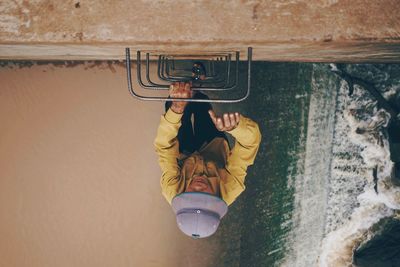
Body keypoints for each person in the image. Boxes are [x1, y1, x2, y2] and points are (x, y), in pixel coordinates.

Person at [154, 81, 261, 238]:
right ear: (217, 199)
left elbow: (164, 147)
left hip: (183, 152)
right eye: (205, 196)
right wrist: (236, 128)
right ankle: (198, 82)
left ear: (181, 198)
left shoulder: (171, 189)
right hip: (212, 146)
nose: (198, 187)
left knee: (174, 107)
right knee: (202, 106)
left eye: (191, 195)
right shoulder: (231, 186)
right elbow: (249, 145)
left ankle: (182, 90)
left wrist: (176, 109)